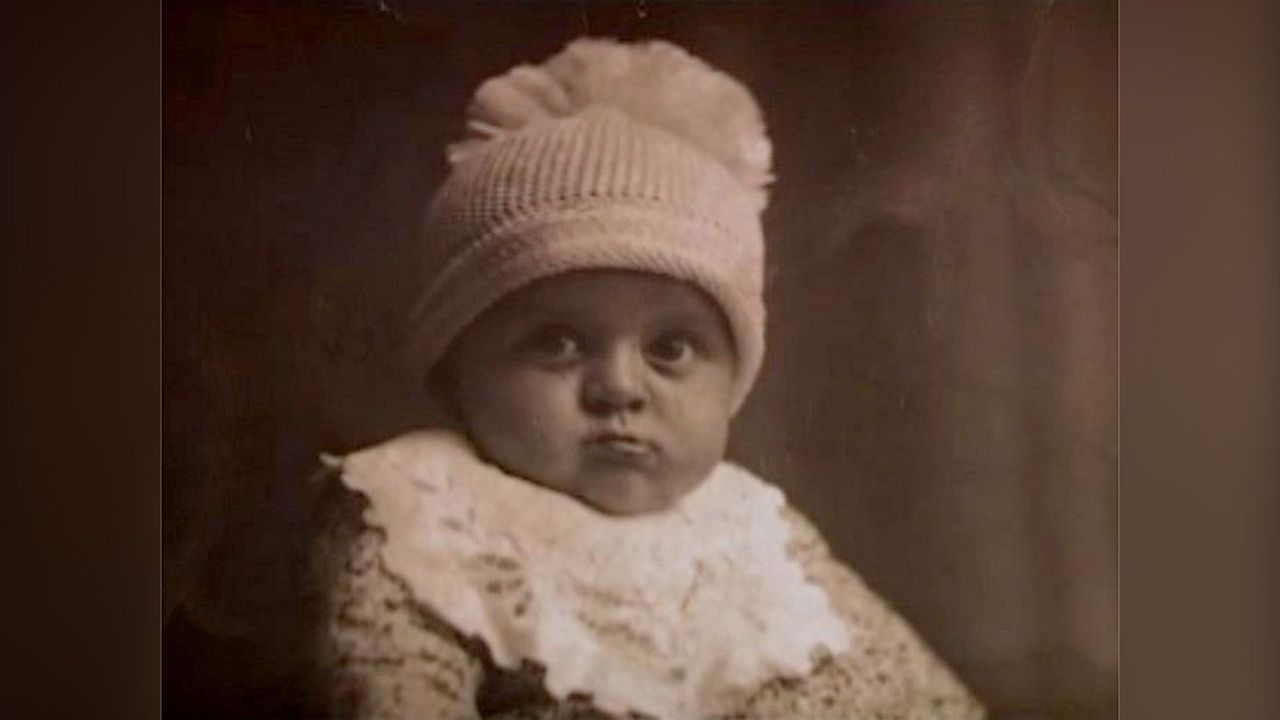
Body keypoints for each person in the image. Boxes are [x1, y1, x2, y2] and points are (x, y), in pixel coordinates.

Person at [312, 37, 984, 719]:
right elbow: (390, 686)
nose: (619, 388)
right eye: (559, 343)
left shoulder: (751, 529)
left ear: (732, 381)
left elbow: (915, 695)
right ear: (457, 365)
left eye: (671, 348)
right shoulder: (421, 509)